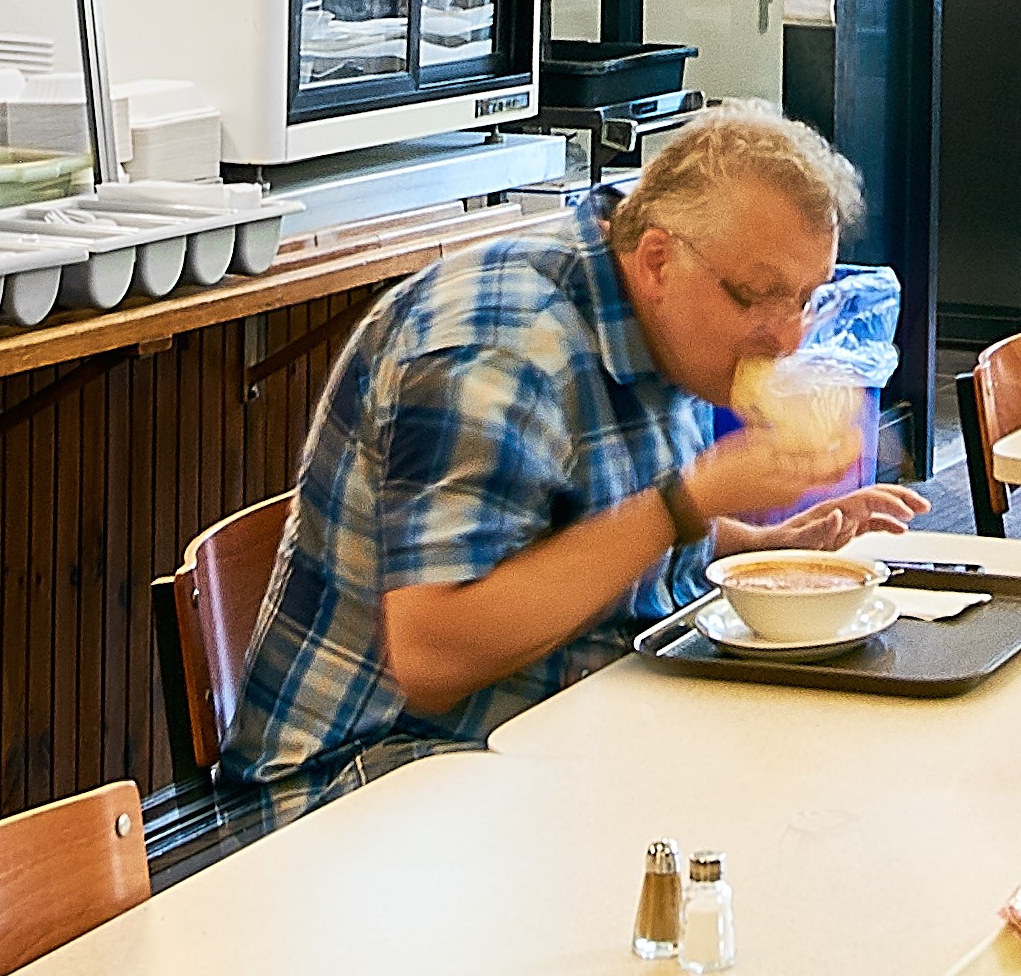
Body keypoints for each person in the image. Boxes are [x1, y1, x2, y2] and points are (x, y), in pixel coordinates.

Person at [221, 101, 927, 836]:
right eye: (760, 294)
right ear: (658, 259)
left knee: (851, 783)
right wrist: (688, 502)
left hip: (568, 726)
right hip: (369, 787)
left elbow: (585, 523)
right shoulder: (501, 348)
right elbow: (432, 653)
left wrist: (759, 545)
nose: (788, 335)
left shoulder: (667, 323)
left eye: (807, 298)